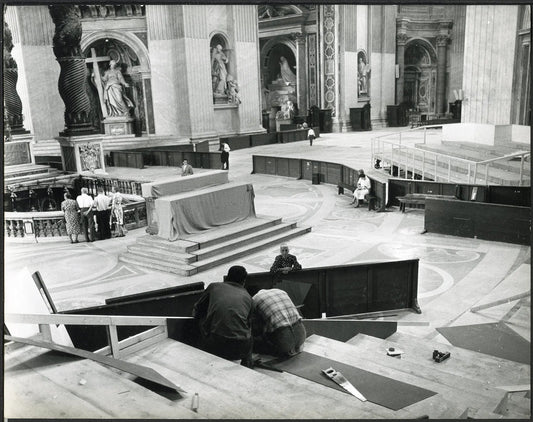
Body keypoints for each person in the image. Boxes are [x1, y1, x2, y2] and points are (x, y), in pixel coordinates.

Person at [192, 265, 253, 366]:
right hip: (241, 348)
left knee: (201, 316)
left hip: (217, 344)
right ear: (244, 282)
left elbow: (197, 308)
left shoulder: (214, 286)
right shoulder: (249, 297)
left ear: (227, 277)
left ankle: (199, 351)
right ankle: (247, 362)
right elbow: (249, 327)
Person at [252, 288, 306, 357]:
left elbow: (255, 327)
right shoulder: (280, 291)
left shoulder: (254, 299)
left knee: (254, 341)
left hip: (283, 340)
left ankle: (283, 350)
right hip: (301, 335)